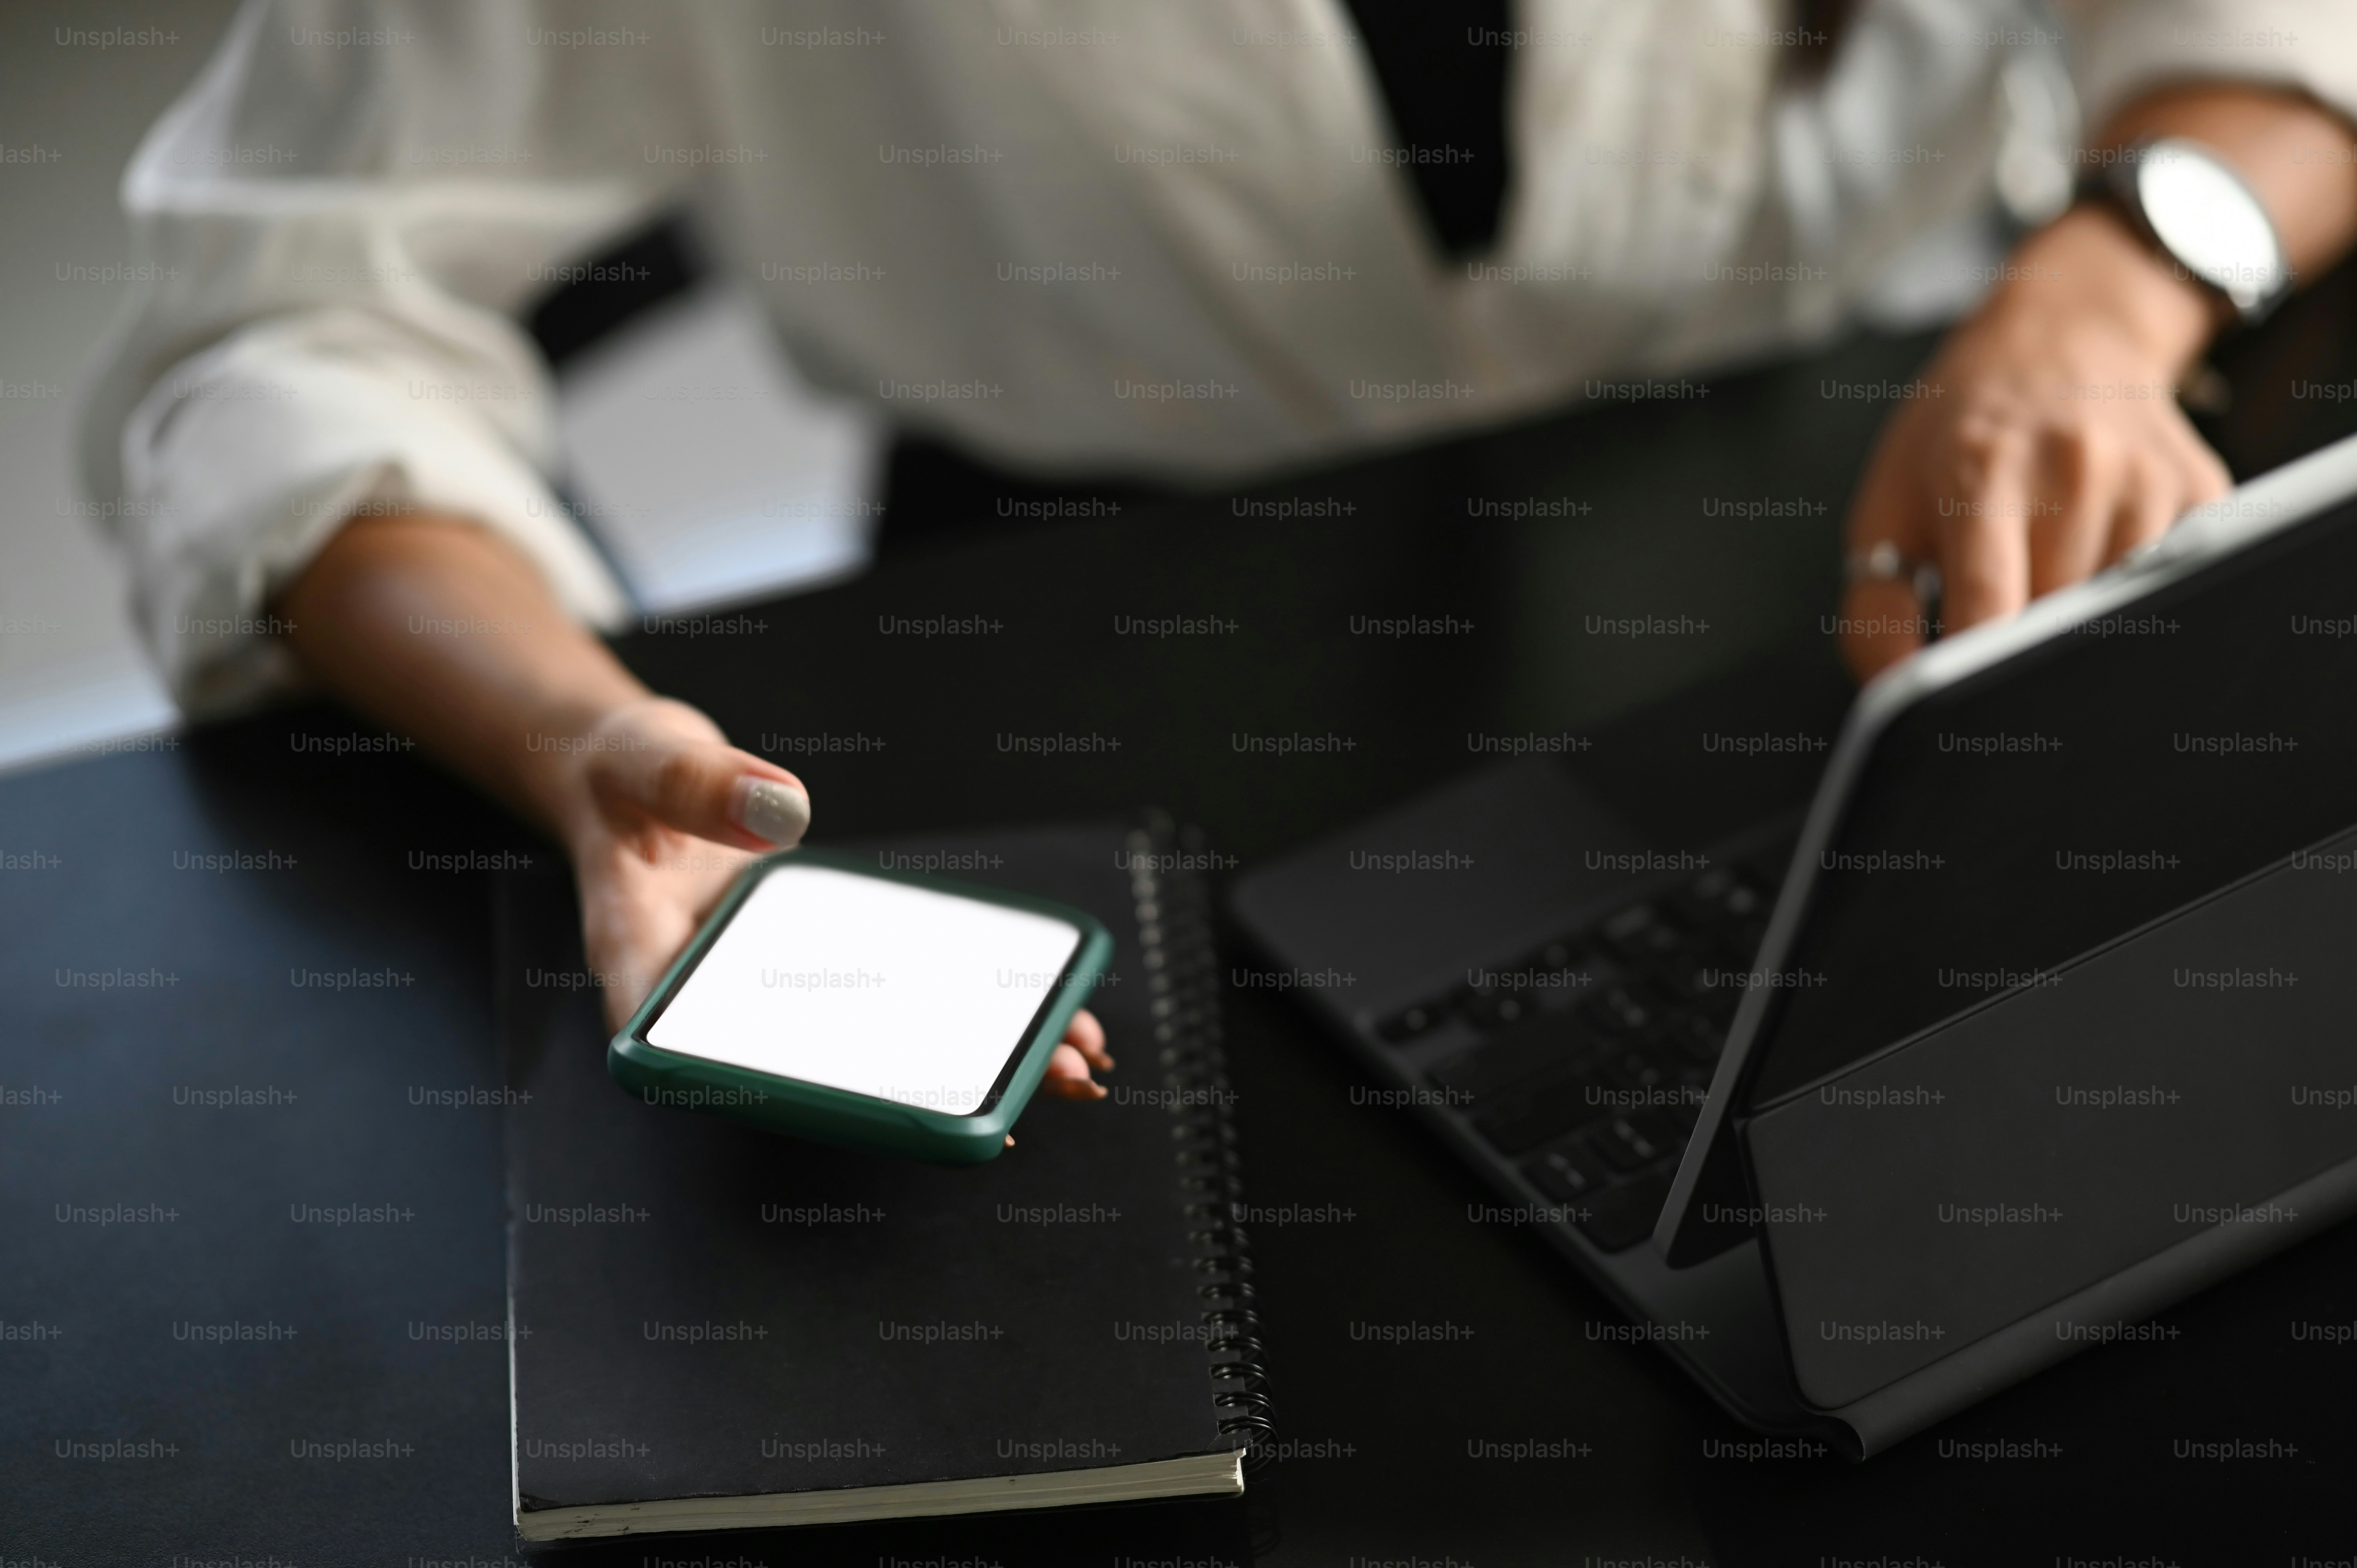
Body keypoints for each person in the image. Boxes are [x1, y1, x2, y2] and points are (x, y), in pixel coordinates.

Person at [78, 0, 2357, 1075]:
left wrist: (2118, 273)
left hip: (1858, 526)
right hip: (1103, 626)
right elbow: (281, 323)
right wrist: (581, 736)